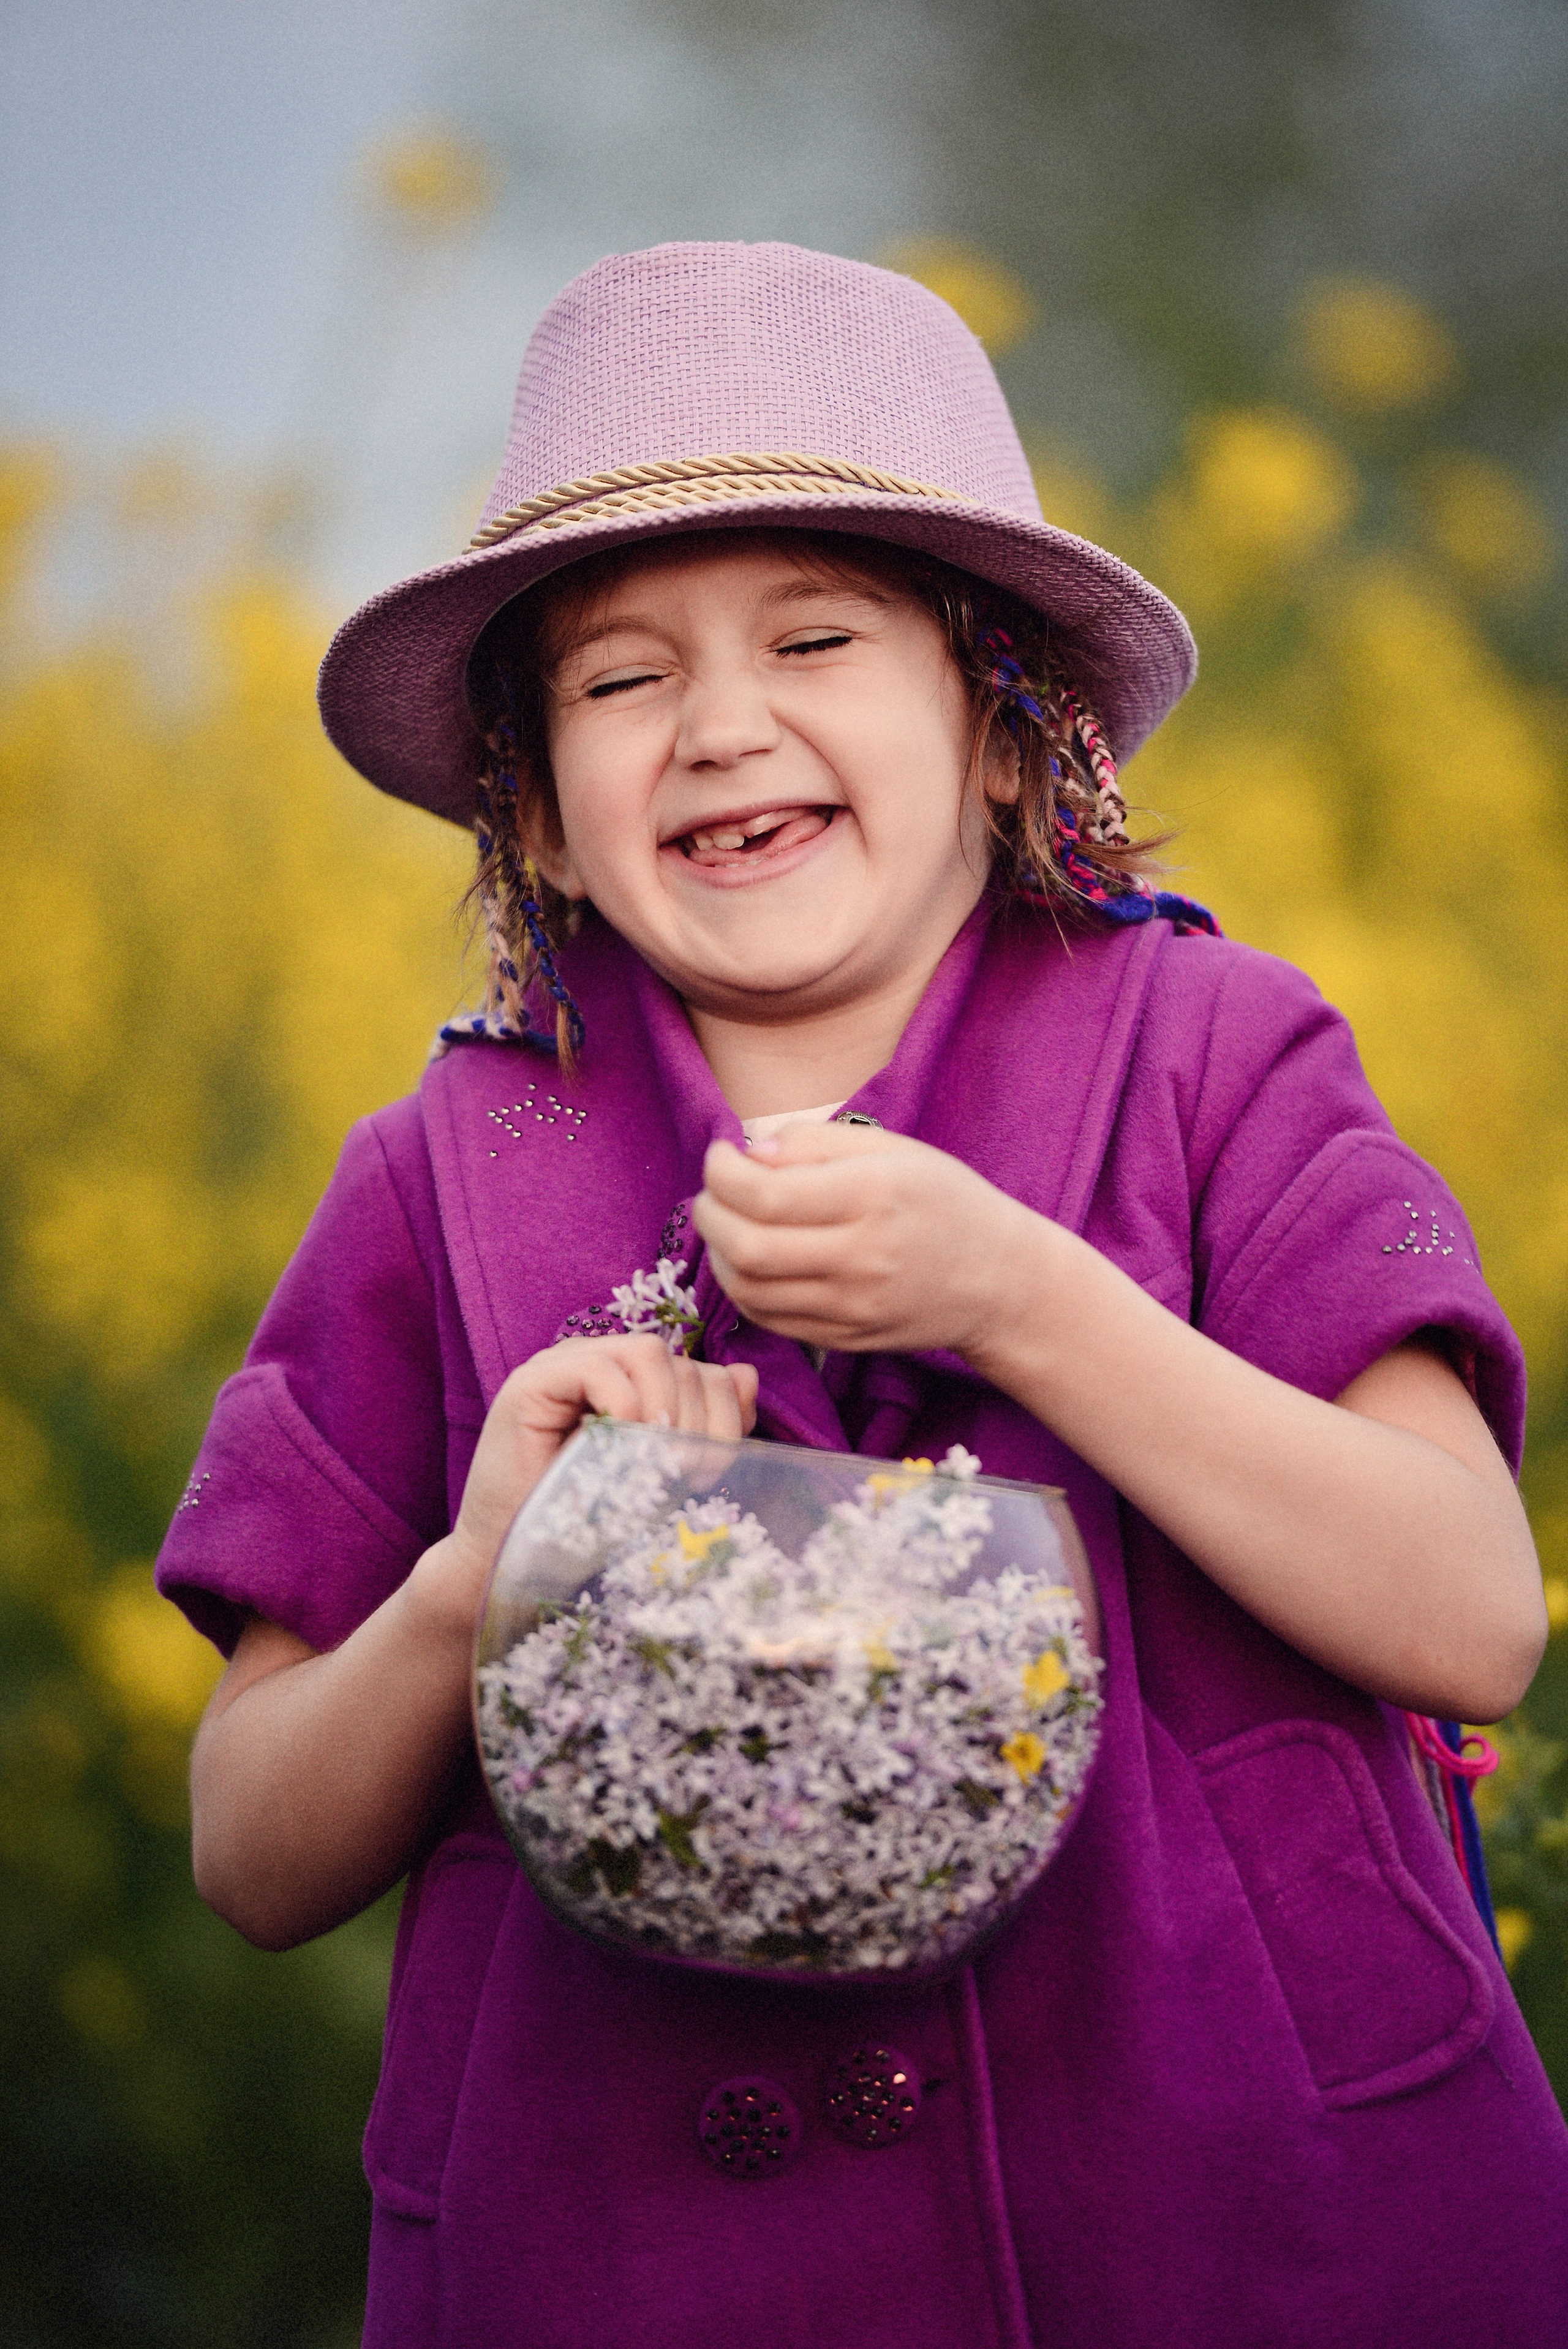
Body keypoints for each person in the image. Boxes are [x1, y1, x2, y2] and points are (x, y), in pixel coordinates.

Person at [157, 242, 1568, 2349]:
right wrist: (478, 1582)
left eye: (818, 634)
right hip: (630, 2265)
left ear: (1008, 737)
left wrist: (1024, 1298)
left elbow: (1474, 1612)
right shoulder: (433, 1186)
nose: (725, 724)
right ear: (534, 808)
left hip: (1258, 2227)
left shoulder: (1219, 1057)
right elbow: (254, 1851)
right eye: (622, 679)